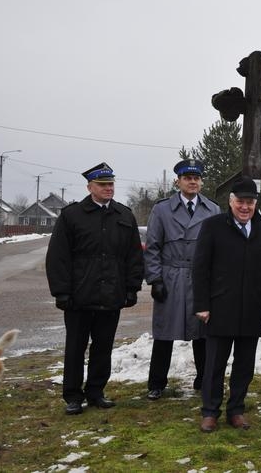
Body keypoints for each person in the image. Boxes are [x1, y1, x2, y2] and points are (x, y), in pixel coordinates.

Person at [46, 162, 144, 415]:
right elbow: (58, 256)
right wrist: (62, 292)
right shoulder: (72, 216)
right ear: (90, 186)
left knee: (103, 347)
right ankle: (73, 396)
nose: (108, 188)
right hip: (79, 296)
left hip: (111, 295)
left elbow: (133, 256)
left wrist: (132, 287)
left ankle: (96, 391)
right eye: (102, 185)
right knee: (76, 347)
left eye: (111, 184)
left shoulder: (124, 216)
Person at [193, 176, 261, 432]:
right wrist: (201, 304)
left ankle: (237, 409)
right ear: (231, 202)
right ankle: (210, 412)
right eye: (241, 202)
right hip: (220, 307)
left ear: (256, 204)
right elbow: (200, 268)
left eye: (250, 203)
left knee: (244, 364)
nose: (245, 207)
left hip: (252, 309)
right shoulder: (212, 226)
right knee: (214, 365)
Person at [144, 159, 220, 401]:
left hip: (200, 278)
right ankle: (157, 382)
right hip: (171, 276)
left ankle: (204, 379)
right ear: (178, 181)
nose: (193, 182)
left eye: (196, 178)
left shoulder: (212, 209)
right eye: (188, 178)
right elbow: (153, 247)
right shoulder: (162, 209)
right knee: (165, 332)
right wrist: (155, 279)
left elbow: (217, 250)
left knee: (202, 332)